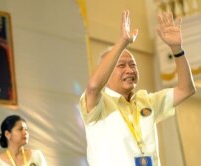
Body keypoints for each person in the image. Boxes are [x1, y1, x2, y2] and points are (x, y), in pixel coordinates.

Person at [79, 10, 196, 166]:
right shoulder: (96, 105)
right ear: (106, 72)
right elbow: (93, 86)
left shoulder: (146, 100)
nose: (129, 70)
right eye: (121, 65)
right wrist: (123, 42)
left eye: (133, 65)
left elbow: (186, 89)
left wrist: (176, 49)